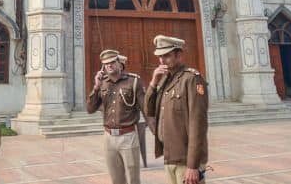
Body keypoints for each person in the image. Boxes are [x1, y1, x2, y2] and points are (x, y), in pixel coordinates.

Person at [144, 35, 208, 184]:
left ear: (179, 55)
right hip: (170, 155)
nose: (161, 60)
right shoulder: (166, 79)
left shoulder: (191, 79)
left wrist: (193, 166)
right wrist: (154, 82)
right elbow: (149, 110)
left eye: (166, 55)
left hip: (186, 160)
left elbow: (198, 125)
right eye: (160, 56)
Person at [86, 49, 146, 184]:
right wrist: (96, 87)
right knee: (116, 179)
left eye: (112, 62)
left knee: (133, 179)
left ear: (120, 64)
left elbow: (146, 109)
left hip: (128, 136)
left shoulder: (133, 81)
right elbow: (90, 109)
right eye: (106, 63)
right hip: (108, 138)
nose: (109, 65)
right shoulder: (102, 83)